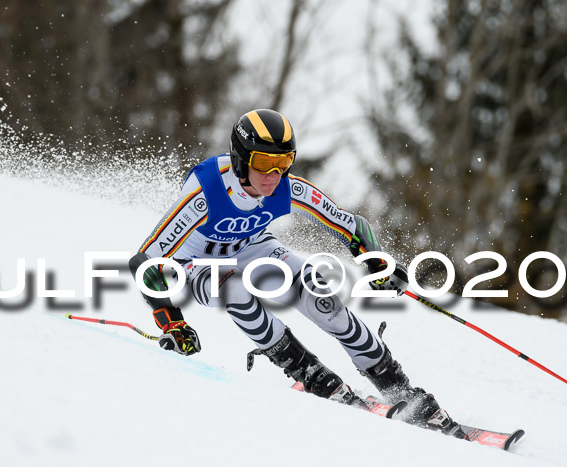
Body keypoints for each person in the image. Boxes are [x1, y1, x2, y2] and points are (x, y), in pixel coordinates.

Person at [129, 109, 461, 435]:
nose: (273, 175)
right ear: (240, 158)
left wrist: (377, 263)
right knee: (235, 291)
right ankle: (312, 375)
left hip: (251, 247)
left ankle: (402, 391)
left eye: (284, 162)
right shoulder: (205, 195)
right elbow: (145, 261)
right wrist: (173, 321)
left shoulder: (287, 188)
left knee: (321, 297)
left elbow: (350, 225)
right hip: (198, 263)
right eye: (262, 162)